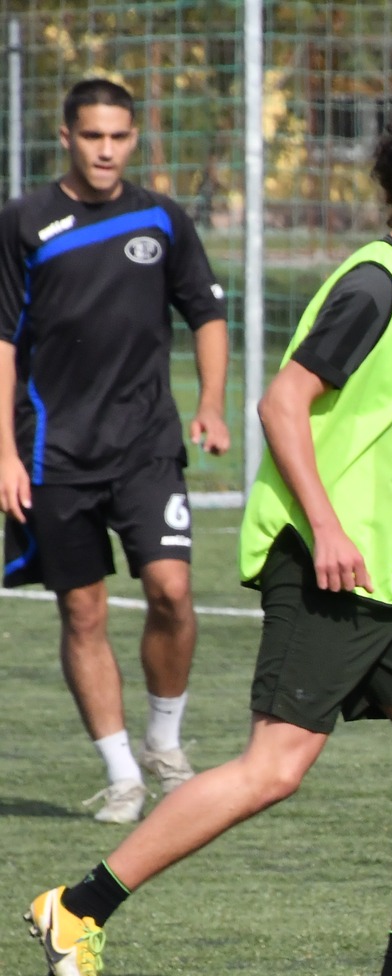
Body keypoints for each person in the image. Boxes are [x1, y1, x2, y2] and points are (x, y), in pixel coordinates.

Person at [24, 87, 392, 976]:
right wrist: (326, 528)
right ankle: (78, 907)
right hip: (322, 558)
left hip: (384, 572)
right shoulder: (375, 285)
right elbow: (281, 403)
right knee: (273, 768)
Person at [0, 78, 230, 823]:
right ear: (66, 136)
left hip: (146, 443)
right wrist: (4, 454)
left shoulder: (161, 218)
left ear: (134, 138)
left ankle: (165, 740)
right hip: (53, 454)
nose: (106, 150)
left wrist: (211, 405)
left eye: (119, 137)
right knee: (83, 610)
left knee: (171, 590)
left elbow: (206, 314)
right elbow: (2, 343)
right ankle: (122, 773)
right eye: (93, 136)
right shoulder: (23, 222)